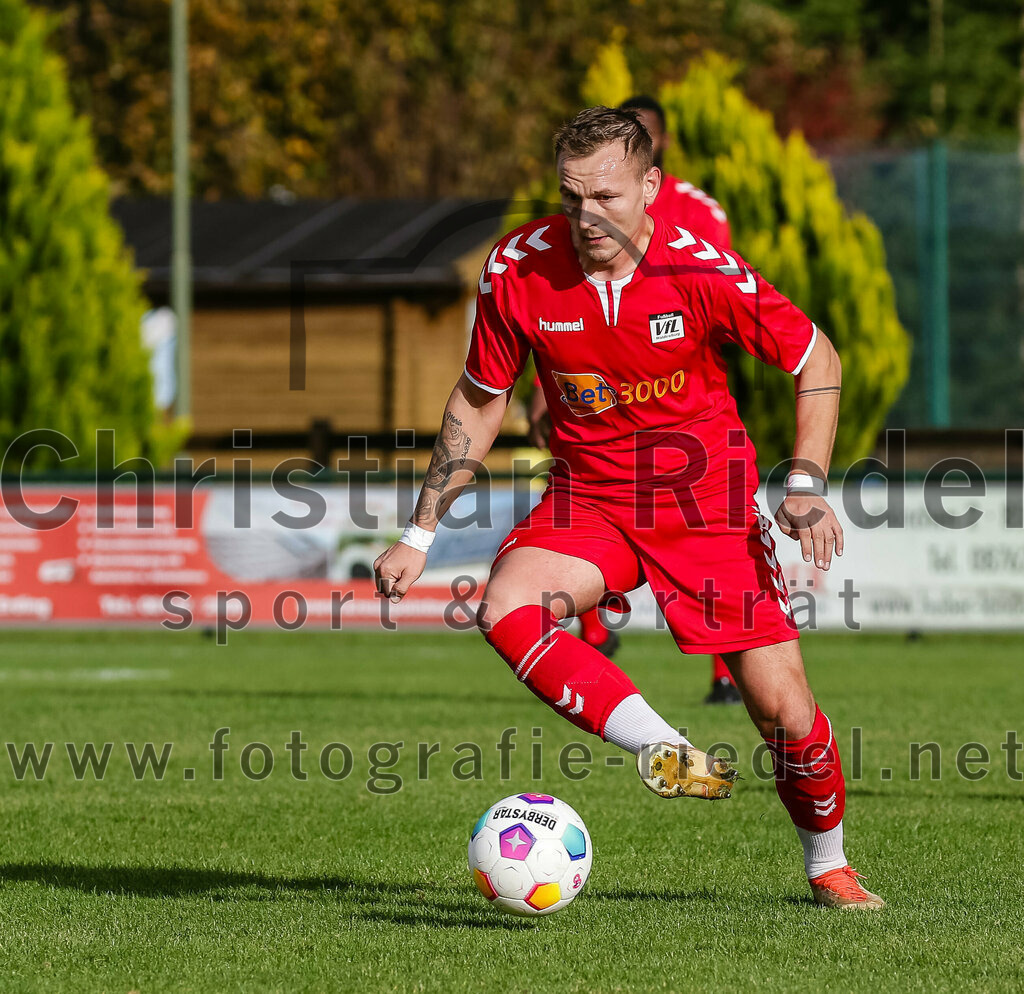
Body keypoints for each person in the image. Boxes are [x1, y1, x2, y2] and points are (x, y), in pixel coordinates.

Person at [375, 107, 883, 909]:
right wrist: (420, 530)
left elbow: (817, 354)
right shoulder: (518, 268)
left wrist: (809, 481)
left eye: (606, 196)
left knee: (786, 715)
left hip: (705, 502)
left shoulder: (699, 268)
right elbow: (478, 398)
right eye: (572, 197)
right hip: (594, 498)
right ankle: (661, 747)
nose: (586, 217)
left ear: (650, 187)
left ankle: (829, 864)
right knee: (507, 606)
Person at [529, 95, 741, 706]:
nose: (592, 205)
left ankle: (724, 676)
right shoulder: (563, 233)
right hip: (594, 397)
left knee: (716, 565)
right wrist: (548, 393)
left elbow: (713, 307)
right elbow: (563, 312)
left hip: (679, 406)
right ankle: (595, 637)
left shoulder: (698, 213)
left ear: (655, 157)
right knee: (581, 513)